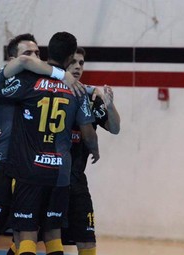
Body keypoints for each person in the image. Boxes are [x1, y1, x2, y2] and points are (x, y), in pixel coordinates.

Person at [0, 33, 79, 255]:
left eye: (38, 53)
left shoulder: (35, 82)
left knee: (22, 237)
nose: (35, 58)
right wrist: (62, 73)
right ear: (12, 59)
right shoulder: (8, 75)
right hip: (0, 163)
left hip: (25, 168)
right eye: (28, 53)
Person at [0, 32, 99, 255]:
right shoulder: (77, 90)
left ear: (47, 52)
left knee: (27, 234)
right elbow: (88, 133)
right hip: (60, 173)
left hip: (30, 169)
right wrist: (94, 148)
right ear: (70, 58)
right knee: (53, 234)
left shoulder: (27, 80)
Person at [61, 47, 120, 255]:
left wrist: (110, 106)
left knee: (87, 240)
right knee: (32, 238)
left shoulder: (91, 96)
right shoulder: (52, 92)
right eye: (73, 62)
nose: (78, 67)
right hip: (48, 179)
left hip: (77, 181)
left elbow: (115, 128)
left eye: (81, 63)